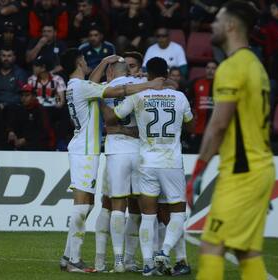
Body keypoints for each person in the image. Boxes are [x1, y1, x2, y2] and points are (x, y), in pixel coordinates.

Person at [186, 2, 275, 280]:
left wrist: (198, 171)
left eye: (217, 19)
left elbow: (218, 124)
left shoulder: (231, 67)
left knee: (212, 244)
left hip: (242, 172)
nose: (212, 24)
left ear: (231, 26)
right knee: (246, 251)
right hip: (259, 168)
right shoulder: (255, 65)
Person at [58, 48, 164, 273]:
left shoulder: (74, 86)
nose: (88, 63)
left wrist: (105, 61)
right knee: (83, 205)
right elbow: (120, 90)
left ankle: (68, 256)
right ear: (79, 62)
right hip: (86, 151)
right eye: (85, 60)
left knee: (89, 204)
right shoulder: (83, 87)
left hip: (87, 149)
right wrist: (149, 85)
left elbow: (94, 81)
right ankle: (73, 258)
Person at [101, 57, 193, 276]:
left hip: (146, 162)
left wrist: (101, 102)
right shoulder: (179, 97)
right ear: (168, 73)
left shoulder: (139, 95)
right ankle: (166, 251)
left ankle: (149, 264)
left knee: (148, 215)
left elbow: (115, 117)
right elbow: (191, 124)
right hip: (171, 162)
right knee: (178, 211)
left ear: (146, 74)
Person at [89, 57, 143, 273]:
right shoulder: (141, 86)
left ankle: (111, 261)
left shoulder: (103, 88)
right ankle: (130, 259)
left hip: (115, 151)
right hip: (139, 150)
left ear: (110, 71)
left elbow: (90, 85)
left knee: (111, 204)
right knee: (138, 206)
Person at [5, 84, 53, 150]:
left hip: (37, 144)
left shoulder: (41, 110)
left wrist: (26, 139)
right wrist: (11, 131)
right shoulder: (18, 109)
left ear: (34, 96)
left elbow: (43, 132)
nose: (23, 98)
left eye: (27, 95)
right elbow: (12, 123)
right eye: (22, 96)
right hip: (20, 142)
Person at [187, 61, 217, 152]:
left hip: (215, 131)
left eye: (213, 68)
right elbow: (188, 102)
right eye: (208, 68)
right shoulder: (196, 83)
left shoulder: (222, 84)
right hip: (199, 129)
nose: (210, 71)